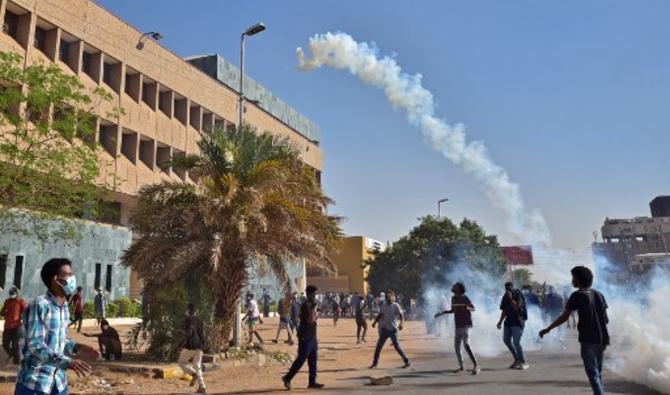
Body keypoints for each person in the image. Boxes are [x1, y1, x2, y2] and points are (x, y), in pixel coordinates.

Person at [16, 258, 100, 395]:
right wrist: (68, 362)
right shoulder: (40, 305)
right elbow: (36, 345)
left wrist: (79, 347)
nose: (73, 279)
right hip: (35, 383)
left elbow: (58, 340)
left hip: (59, 383)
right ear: (56, 279)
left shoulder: (64, 306)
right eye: (68, 275)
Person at [540, 266, 610, 395]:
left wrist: (548, 329)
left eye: (573, 277)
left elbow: (564, 316)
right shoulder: (599, 294)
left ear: (578, 279)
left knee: (593, 374)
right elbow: (606, 319)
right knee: (598, 372)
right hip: (603, 339)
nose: (572, 280)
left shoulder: (577, 295)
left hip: (588, 339)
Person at [282, 285, 324, 390]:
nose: (315, 296)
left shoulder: (313, 304)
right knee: (301, 359)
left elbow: (315, 319)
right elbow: (310, 320)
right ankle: (287, 378)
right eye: (314, 294)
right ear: (309, 294)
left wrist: (316, 311)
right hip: (305, 337)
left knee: (313, 360)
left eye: (316, 294)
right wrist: (314, 309)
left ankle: (312, 382)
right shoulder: (306, 305)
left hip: (312, 336)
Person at [434, 282, 480, 375]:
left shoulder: (464, 297)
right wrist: (441, 313)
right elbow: (453, 310)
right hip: (458, 325)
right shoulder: (453, 298)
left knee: (466, 345)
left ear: (459, 289)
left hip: (465, 324)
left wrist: (467, 307)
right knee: (457, 347)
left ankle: (476, 366)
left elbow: (473, 308)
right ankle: (462, 367)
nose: (453, 287)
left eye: (455, 286)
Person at [370, 291, 411, 369]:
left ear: (392, 298)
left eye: (389, 298)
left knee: (397, 346)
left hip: (393, 330)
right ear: (385, 299)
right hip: (385, 330)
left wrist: (401, 324)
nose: (388, 299)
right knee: (378, 347)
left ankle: (407, 361)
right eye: (387, 298)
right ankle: (375, 363)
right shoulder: (383, 306)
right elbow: (380, 315)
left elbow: (401, 315)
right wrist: (375, 322)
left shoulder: (396, 305)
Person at [496, 281, 529, 370]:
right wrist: (500, 322)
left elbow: (517, 306)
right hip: (508, 321)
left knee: (516, 342)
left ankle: (523, 361)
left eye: (509, 287)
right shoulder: (505, 296)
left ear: (512, 287)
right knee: (506, 339)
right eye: (506, 287)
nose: (507, 289)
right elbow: (504, 311)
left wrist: (511, 298)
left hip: (518, 321)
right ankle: (517, 359)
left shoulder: (517, 293)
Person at [177, 303, 206, 394]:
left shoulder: (188, 319)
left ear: (188, 310)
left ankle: (193, 374)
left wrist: (182, 341)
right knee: (197, 366)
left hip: (190, 345)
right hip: (200, 345)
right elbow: (202, 333)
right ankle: (202, 387)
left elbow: (190, 330)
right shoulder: (199, 320)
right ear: (196, 311)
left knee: (181, 362)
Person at [1, 286, 28, 365]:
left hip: (17, 327)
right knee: (5, 344)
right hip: (7, 326)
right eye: (10, 294)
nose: (11, 295)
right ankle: (11, 354)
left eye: (13, 294)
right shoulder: (7, 301)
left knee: (15, 345)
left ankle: (16, 363)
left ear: (16, 294)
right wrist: (5, 313)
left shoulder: (20, 301)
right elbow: (2, 312)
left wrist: (21, 316)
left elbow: (26, 310)